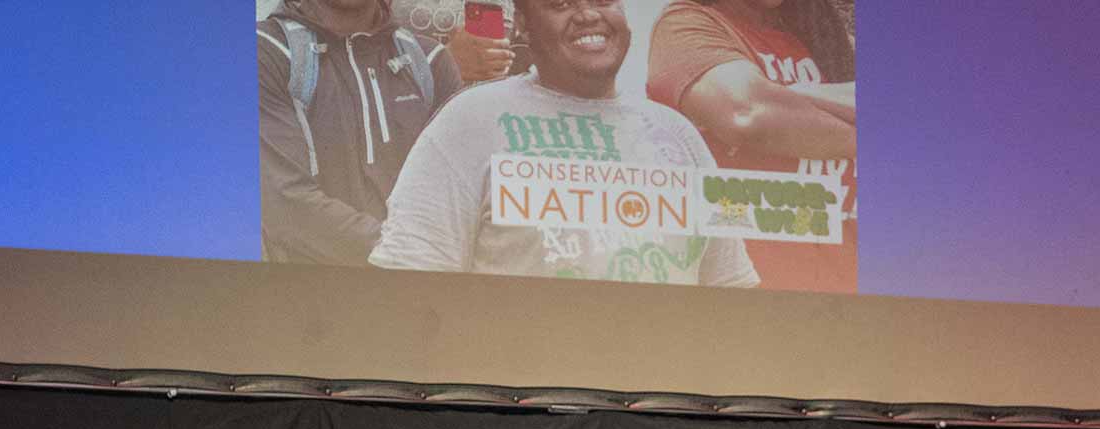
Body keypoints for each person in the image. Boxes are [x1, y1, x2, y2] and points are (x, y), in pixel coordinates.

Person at [372, 0, 759, 287]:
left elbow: (731, 289)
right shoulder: (469, 122)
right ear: (522, 23)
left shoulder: (678, 134)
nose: (589, 14)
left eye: (603, 0)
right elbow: (410, 283)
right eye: (561, 3)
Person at [647, 0, 857, 292]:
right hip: (755, 292)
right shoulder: (685, 25)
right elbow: (746, 113)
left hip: (845, 285)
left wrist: (783, 95)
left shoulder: (824, 37)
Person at [258, 0, 468, 264]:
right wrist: (404, 251)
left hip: (415, 290)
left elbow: (459, 201)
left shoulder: (429, 60)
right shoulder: (265, 49)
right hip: (305, 293)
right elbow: (285, 205)